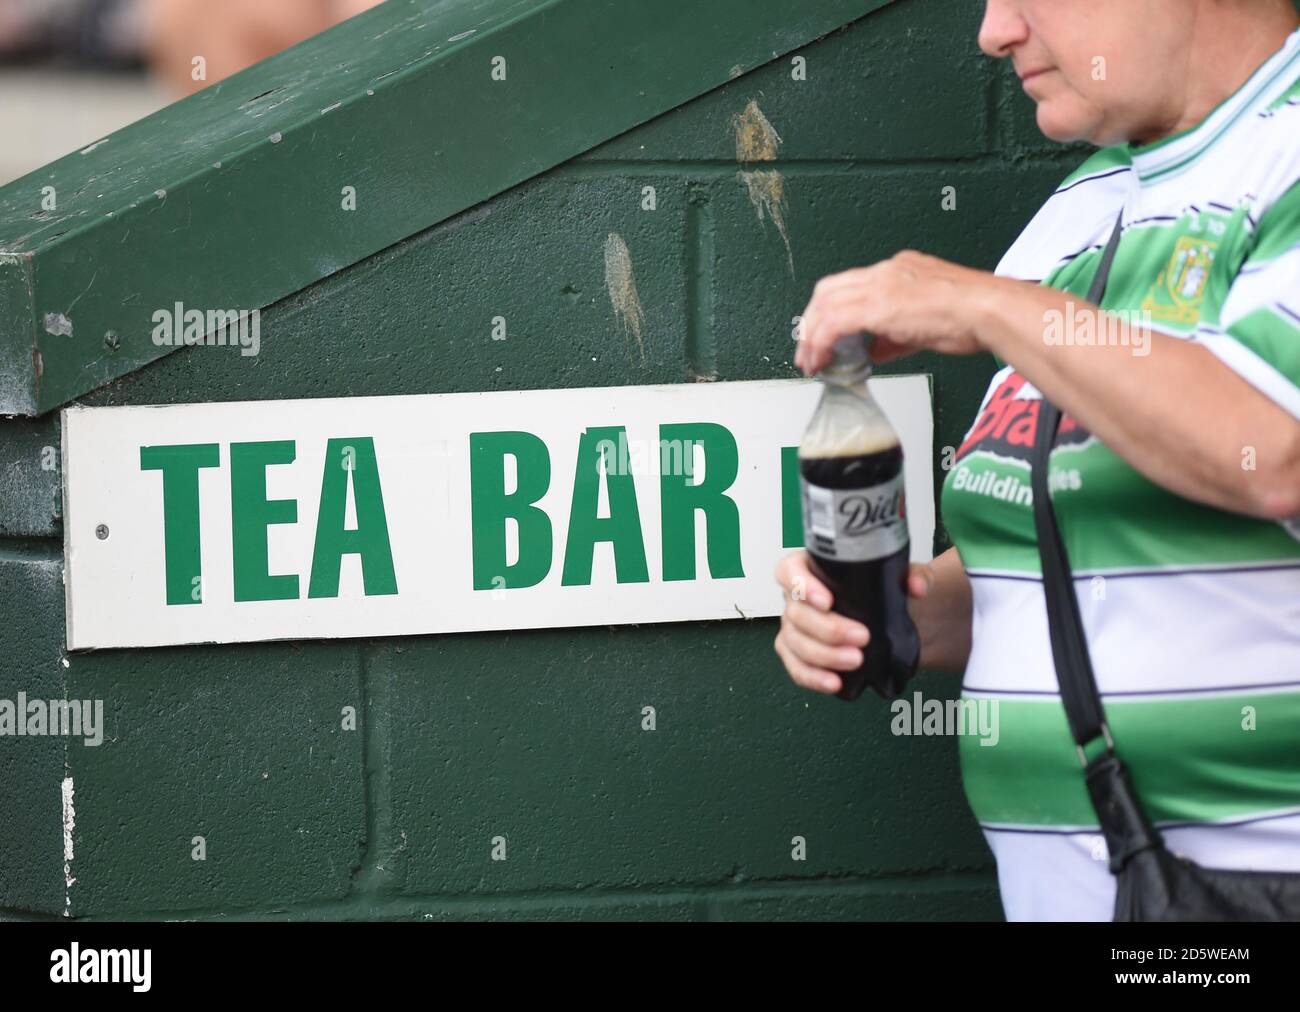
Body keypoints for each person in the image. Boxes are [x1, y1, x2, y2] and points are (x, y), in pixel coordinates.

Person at [775, 0, 1300, 921]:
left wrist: (985, 308)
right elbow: (1055, 579)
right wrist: (886, 611)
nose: (995, 30)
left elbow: (1273, 448)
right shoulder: (1085, 205)